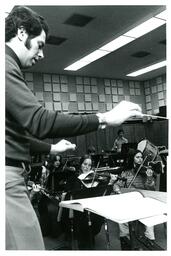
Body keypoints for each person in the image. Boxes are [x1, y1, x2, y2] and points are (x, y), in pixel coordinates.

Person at [5, 5, 142, 250]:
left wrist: (51, 149)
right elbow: (40, 120)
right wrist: (103, 118)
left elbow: (11, 137)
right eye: (40, 44)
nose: (42, 54)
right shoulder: (4, 65)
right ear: (22, 32)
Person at [61, 154, 117, 249]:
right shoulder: (74, 178)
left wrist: (111, 182)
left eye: (89, 165)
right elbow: (69, 194)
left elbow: (103, 195)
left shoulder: (95, 179)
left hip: (92, 211)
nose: (87, 167)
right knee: (84, 233)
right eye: (85, 164)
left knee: (94, 223)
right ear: (81, 164)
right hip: (79, 212)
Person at [112, 149, 157, 250]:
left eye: (141, 157)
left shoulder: (145, 172)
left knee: (150, 214)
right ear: (132, 159)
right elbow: (117, 185)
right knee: (122, 213)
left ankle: (150, 240)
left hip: (143, 200)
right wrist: (117, 190)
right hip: (130, 201)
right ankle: (125, 239)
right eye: (137, 157)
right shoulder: (126, 173)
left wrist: (149, 178)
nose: (140, 159)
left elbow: (152, 189)